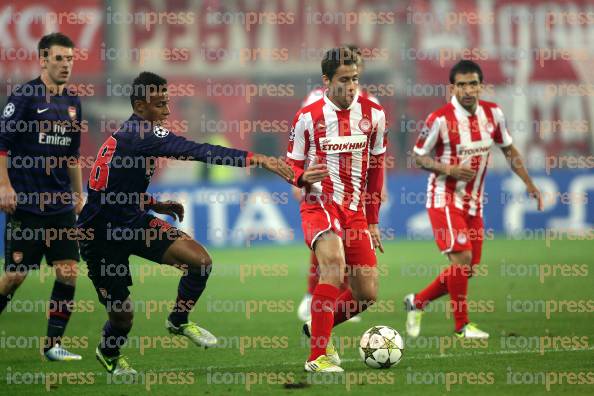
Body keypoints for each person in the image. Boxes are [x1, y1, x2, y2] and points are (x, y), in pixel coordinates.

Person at [77, 71, 293, 376]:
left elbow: (113, 190)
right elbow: (199, 151)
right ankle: (108, 352)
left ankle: (178, 320)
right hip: (100, 237)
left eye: (167, 103)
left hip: (132, 222)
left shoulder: (132, 136)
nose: (167, 110)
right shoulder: (143, 134)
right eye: (159, 104)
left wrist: (155, 204)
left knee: (200, 262)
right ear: (140, 107)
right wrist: (257, 159)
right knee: (123, 318)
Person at [405, 60, 543, 339]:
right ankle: (462, 325)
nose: (468, 90)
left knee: (466, 268)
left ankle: (416, 302)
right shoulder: (439, 119)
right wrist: (450, 170)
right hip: (443, 198)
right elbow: (417, 156)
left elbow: (508, 149)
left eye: (473, 84)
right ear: (452, 88)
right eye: (462, 84)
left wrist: (528, 182)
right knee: (463, 258)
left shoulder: (493, 114)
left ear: (481, 86)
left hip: (473, 202)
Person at [286, 47, 387, 372]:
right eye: (344, 79)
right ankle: (318, 357)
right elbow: (291, 165)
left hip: (355, 211)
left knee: (366, 294)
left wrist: (372, 221)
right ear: (326, 80)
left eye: (355, 78)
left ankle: (318, 326)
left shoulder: (374, 114)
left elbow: (376, 168)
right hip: (319, 206)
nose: (351, 86)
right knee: (332, 266)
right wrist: (301, 177)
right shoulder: (307, 117)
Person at [0, 33, 83, 361]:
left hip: (60, 203)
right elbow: (2, 145)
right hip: (27, 203)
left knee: (68, 271)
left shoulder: (74, 103)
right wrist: (4, 187)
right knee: (14, 277)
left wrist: (79, 196)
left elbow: (73, 156)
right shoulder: (24, 97)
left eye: (70, 59)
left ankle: (52, 345)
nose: (66, 65)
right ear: (44, 60)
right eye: (59, 59)